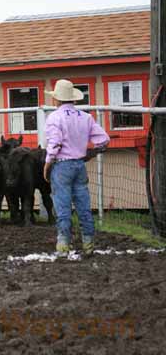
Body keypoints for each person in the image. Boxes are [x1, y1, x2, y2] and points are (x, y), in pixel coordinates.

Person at [43, 80, 109, 255]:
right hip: (80, 165)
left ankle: (63, 246)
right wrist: (90, 154)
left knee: (63, 207)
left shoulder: (54, 117)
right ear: (73, 98)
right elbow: (103, 140)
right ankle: (88, 244)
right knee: (83, 206)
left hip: (61, 166)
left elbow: (55, 144)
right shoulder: (86, 117)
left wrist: (48, 163)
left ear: (56, 99)